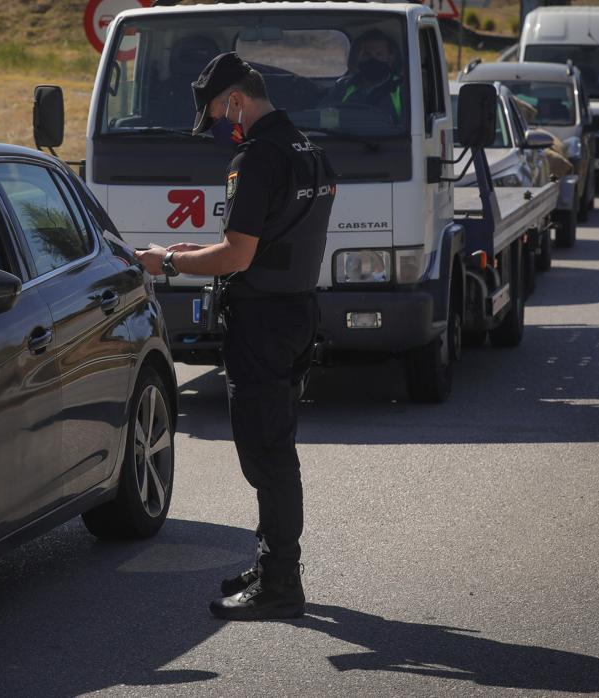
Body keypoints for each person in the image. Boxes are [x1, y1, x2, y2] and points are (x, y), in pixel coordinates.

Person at [135, 52, 336, 621]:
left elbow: (237, 253)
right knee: (277, 448)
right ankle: (272, 564)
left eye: (220, 116)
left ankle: (280, 586)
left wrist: (167, 260)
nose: (222, 129)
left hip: (263, 323)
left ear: (236, 101)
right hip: (298, 313)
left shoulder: (258, 160)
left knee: (267, 457)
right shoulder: (310, 152)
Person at [321, 29, 404, 124]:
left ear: (390, 58)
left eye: (379, 54)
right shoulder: (343, 86)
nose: (373, 59)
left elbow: (407, 128)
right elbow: (325, 121)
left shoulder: (402, 88)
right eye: (367, 54)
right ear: (358, 57)